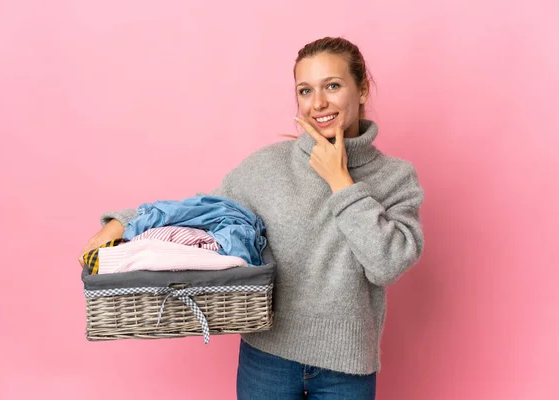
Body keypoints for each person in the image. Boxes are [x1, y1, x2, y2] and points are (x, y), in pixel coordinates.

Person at [78, 36, 424, 400]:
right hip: (267, 361)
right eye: (305, 91)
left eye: (333, 86)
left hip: (347, 369)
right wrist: (126, 222)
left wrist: (341, 181)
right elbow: (202, 213)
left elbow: (387, 265)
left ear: (363, 88)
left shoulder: (395, 178)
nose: (318, 103)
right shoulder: (267, 166)